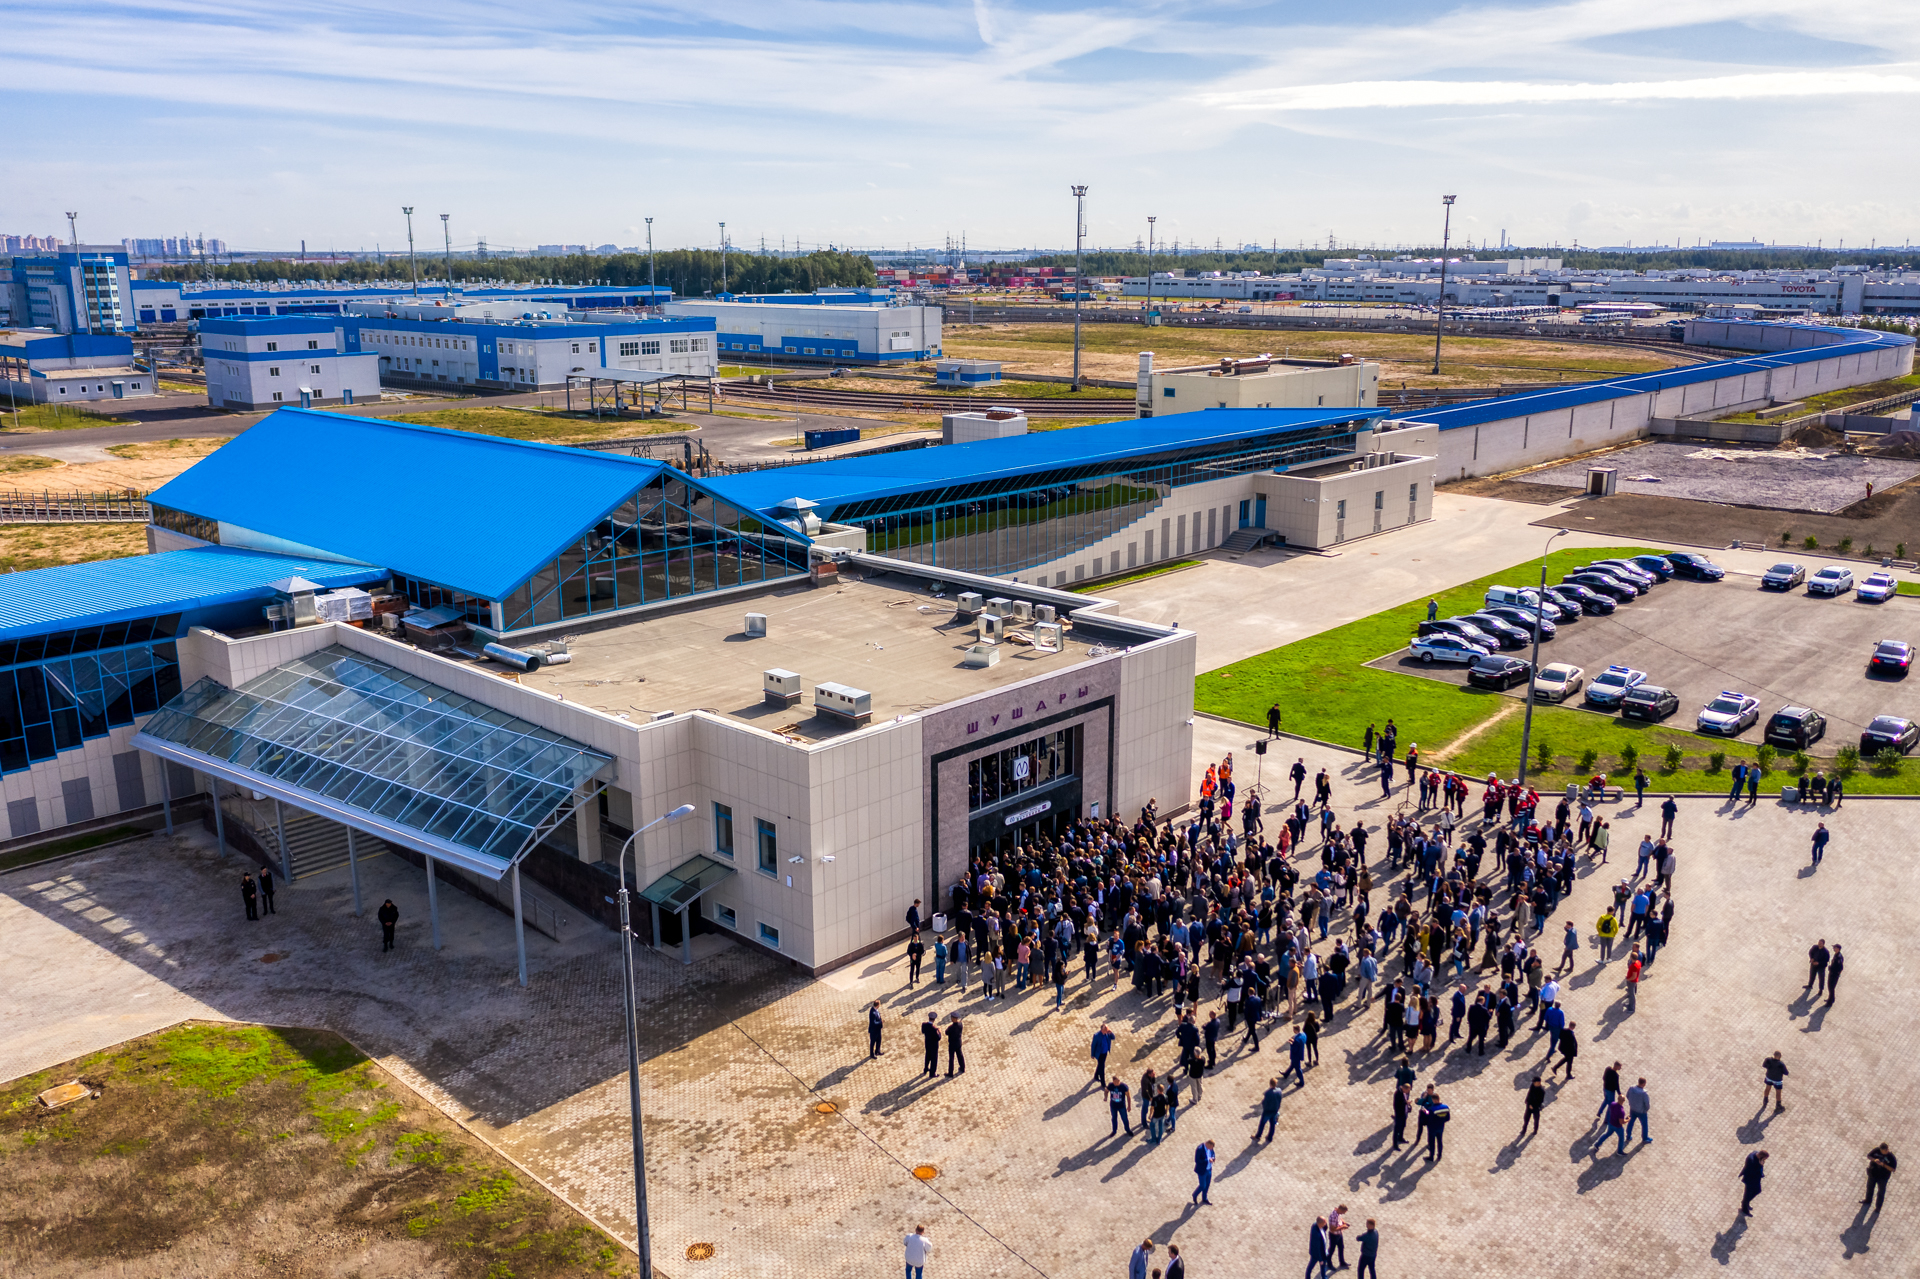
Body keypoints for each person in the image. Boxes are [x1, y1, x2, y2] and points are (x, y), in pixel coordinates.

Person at [1864, 1143, 1897, 1211]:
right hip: (1873, 1174)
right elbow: (1869, 1156)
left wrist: (1883, 1165)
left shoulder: (1891, 1157)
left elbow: (1893, 1169)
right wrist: (1874, 1160)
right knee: (1870, 1187)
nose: (1883, 1152)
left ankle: (1878, 1208)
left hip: (1883, 1177)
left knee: (1881, 1192)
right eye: (1882, 1151)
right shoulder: (1876, 1150)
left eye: (1885, 1151)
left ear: (1887, 1149)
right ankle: (1868, 1200)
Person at [1739, 1150, 1768, 1216]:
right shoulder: (1751, 1160)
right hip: (1750, 1180)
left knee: (1757, 1191)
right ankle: (1745, 1208)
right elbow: (1753, 1172)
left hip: (1756, 1180)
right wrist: (1761, 1165)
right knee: (1747, 1194)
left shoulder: (1757, 1155)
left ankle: (1745, 1202)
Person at [1424, 1091, 1450, 1160]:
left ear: (1434, 1100)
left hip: (1432, 1128)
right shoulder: (1446, 1107)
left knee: (1432, 1143)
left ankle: (1431, 1156)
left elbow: (1430, 1119)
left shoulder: (1433, 1109)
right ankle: (1439, 1155)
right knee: (1440, 1141)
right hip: (1441, 1127)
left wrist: (1427, 1113)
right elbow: (1447, 1118)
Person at [1626, 1077, 1651, 1144]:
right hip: (1641, 1112)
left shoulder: (1631, 1088)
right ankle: (1645, 1138)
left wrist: (1631, 1104)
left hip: (1632, 1109)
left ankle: (1628, 1136)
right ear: (1643, 1084)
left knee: (1630, 1122)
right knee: (1644, 1125)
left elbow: (1627, 1096)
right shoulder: (1644, 1093)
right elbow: (1647, 1104)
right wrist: (1645, 1110)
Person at [1191, 1139, 1216, 1205]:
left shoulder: (1210, 1148)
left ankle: (1204, 1198)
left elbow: (1213, 1153)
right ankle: (1194, 1195)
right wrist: (1207, 1160)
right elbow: (1197, 1160)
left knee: (1207, 1184)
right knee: (1202, 1185)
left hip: (1209, 1169)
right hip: (1202, 1170)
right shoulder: (1200, 1149)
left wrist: (1213, 1158)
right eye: (1211, 1147)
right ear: (1208, 1144)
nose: (1212, 1149)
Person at [1327, 1205, 1350, 1270]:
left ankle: (1342, 1262)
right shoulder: (1333, 1216)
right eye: (1343, 1212)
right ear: (1340, 1210)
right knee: (1331, 1250)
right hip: (1334, 1235)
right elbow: (1332, 1229)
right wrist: (1343, 1227)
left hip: (1339, 1234)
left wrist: (1344, 1222)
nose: (1343, 1214)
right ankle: (1329, 1263)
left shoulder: (1337, 1212)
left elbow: (1340, 1218)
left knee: (1341, 1247)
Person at [920, 1013, 941, 1080]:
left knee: (927, 1056)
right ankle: (932, 1073)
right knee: (934, 1059)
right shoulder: (934, 1029)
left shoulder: (924, 1025)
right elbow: (938, 1038)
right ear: (934, 1020)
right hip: (934, 1046)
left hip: (927, 1044)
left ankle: (926, 1068)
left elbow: (923, 1031)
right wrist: (939, 1032)